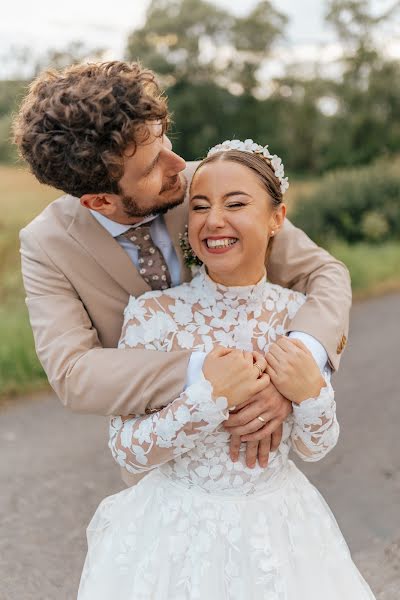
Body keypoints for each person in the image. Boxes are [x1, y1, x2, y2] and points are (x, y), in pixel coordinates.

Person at [14, 61, 351, 479]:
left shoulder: (211, 185)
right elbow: (74, 372)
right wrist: (208, 375)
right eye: (152, 166)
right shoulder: (47, 243)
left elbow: (324, 274)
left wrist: (290, 372)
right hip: (163, 468)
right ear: (99, 201)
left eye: (164, 141)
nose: (179, 165)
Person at [77, 140, 375, 599]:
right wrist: (209, 399)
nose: (213, 220)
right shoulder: (153, 314)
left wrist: (310, 391)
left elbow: (316, 446)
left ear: (277, 217)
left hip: (278, 532)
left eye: (235, 203)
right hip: (174, 533)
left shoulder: (298, 316)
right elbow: (126, 449)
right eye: (199, 207)